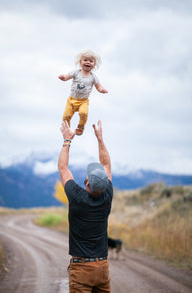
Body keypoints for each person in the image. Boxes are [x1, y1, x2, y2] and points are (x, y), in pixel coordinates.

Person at [58, 120, 113, 293]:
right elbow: (107, 165)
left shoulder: (77, 197)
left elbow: (62, 167)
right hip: (102, 267)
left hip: (81, 269)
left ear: (87, 183)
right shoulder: (107, 196)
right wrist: (100, 139)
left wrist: (67, 141)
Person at [58, 49, 108, 136]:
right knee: (66, 116)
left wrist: (102, 90)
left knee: (83, 113)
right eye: (85, 60)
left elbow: (98, 86)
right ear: (80, 62)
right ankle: (67, 129)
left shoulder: (93, 77)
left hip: (83, 101)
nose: (88, 62)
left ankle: (81, 126)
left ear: (94, 65)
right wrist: (63, 77)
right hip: (71, 100)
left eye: (91, 61)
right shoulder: (76, 72)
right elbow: (67, 77)